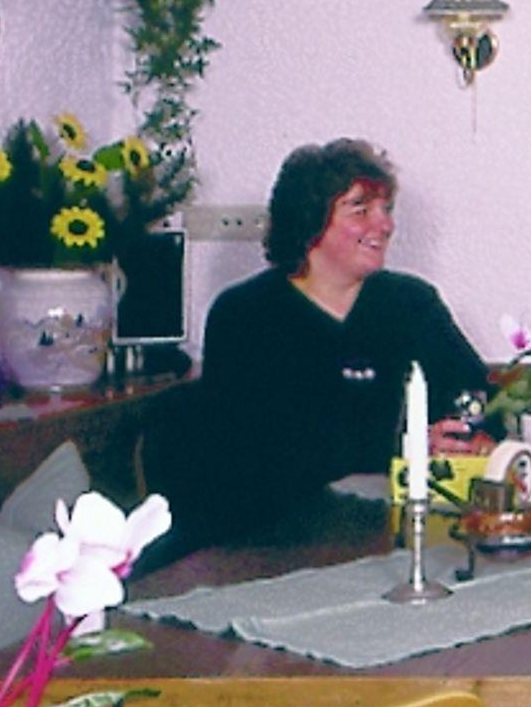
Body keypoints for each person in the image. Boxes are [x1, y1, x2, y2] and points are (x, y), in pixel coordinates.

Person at [154, 139, 490, 548]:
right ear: (310, 221)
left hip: (399, 531)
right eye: (361, 209)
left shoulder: (412, 302)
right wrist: (404, 447)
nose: (384, 225)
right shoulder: (244, 315)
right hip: (276, 540)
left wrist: (468, 436)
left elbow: (477, 394)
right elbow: (257, 454)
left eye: (386, 209)